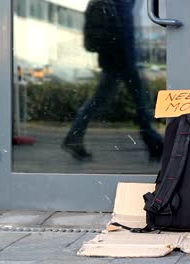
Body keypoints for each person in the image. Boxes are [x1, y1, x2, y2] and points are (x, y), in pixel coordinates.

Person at [62, 0, 163, 161]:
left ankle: (74, 137)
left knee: (100, 100)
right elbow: (122, 30)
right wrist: (129, 61)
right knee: (141, 101)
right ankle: (153, 142)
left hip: (115, 59)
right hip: (121, 59)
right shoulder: (120, 2)